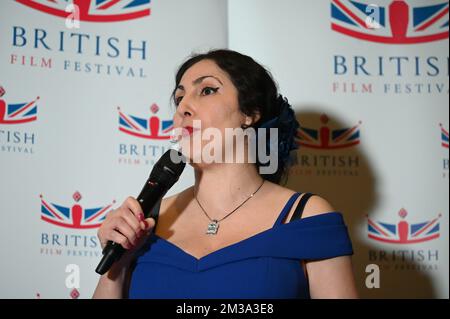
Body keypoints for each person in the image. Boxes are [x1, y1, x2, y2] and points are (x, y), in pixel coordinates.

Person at [93, 49, 358, 299]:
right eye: (179, 98)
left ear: (250, 113)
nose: (183, 107)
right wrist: (116, 268)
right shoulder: (146, 220)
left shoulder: (306, 216)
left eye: (207, 90)